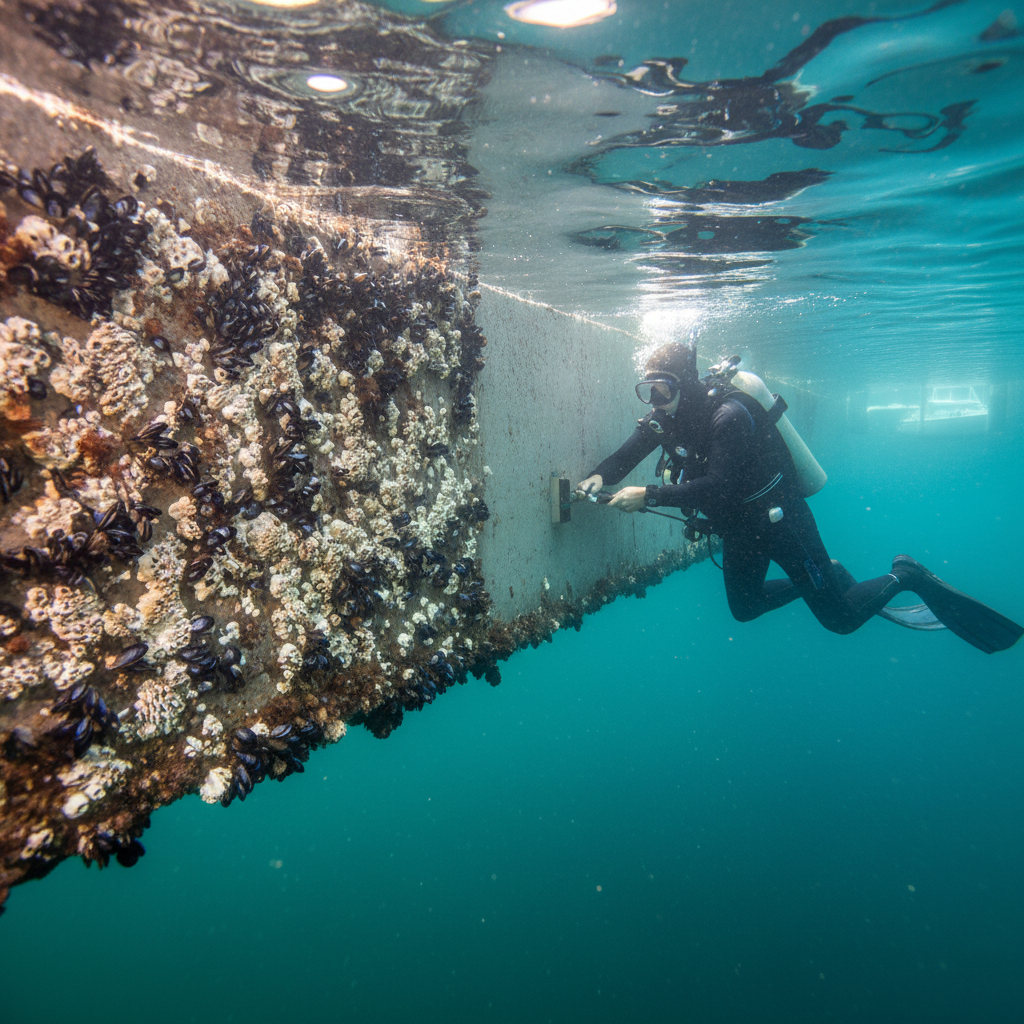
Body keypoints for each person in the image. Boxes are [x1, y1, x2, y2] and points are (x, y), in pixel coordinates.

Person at [576, 342, 1022, 654]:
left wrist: (649, 494)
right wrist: (598, 475)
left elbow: (721, 485)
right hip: (738, 529)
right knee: (744, 608)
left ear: (686, 385)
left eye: (663, 389)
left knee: (841, 619)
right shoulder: (665, 419)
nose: (655, 401)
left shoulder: (728, 416)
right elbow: (627, 453)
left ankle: (905, 574)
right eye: (647, 390)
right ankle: (827, 575)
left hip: (781, 522)